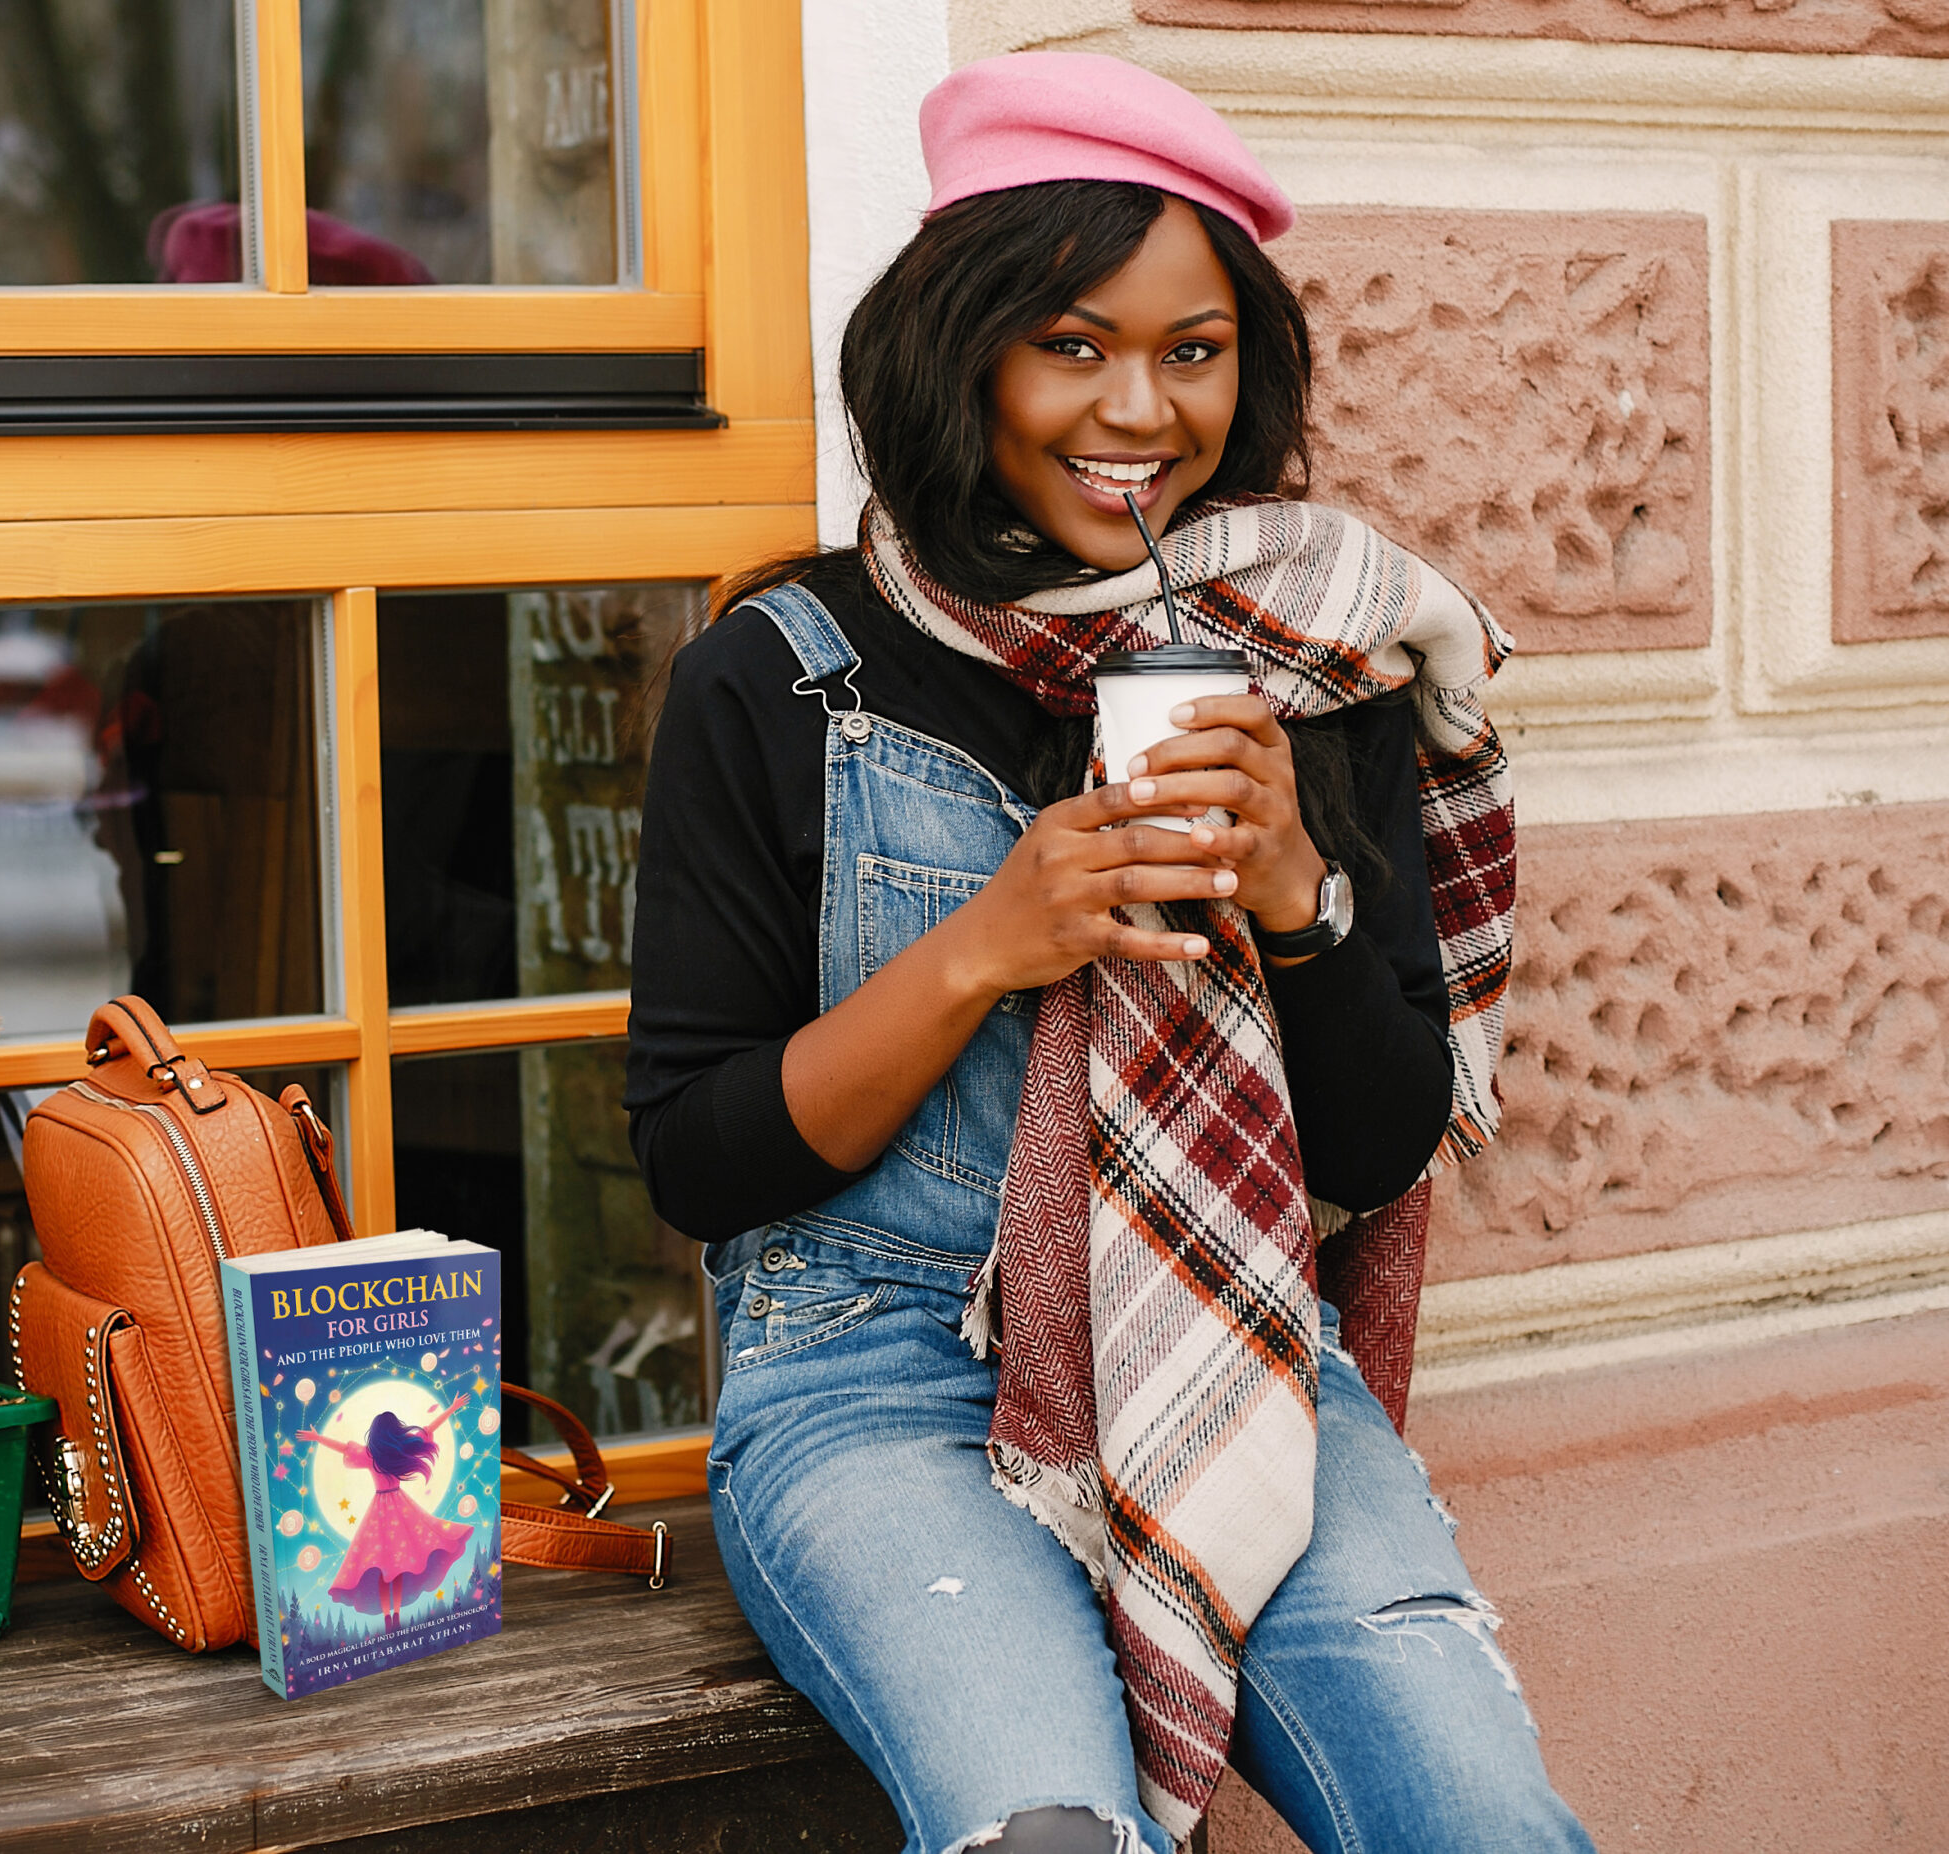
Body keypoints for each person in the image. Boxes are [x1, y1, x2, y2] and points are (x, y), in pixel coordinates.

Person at [625, 52, 1594, 1854]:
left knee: (1481, 1822)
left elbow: (1377, 1145)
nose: (1140, 409)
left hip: (1234, 1340)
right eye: (1071, 345)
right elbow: (698, 1157)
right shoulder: (780, 675)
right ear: (960, 353)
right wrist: (989, 945)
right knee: (1048, 1837)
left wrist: (1299, 888)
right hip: (874, 1375)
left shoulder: (1310, 658)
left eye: (1193, 350)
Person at [299, 1393, 473, 1631]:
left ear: (374, 1433)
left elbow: (343, 1448)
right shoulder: (397, 1448)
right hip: (398, 1506)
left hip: (380, 1510)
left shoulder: (370, 1454)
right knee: (396, 1567)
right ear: (394, 1430)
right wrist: (452, 1407)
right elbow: (428, 1429)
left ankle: (389, 1616)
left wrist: (317, 1437)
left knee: (386, 1568)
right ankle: (395, 1614)